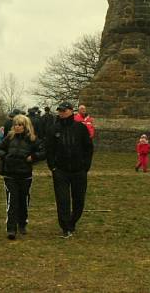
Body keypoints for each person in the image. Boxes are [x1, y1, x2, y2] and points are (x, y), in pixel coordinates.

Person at [46, 102, 93, 238]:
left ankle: (72, 222)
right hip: (61, 171)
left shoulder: (80, 128)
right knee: (62, 200)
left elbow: (88, 147)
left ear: (71, 111)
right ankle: (65, 227)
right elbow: (49, 150)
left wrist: (86, 166)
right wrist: (53, 167)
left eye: (64, 110)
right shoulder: (54, 129)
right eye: (60, 111)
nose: (61, 113)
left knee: (79, 200)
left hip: (79, 170)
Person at [0, 114, 44, 240]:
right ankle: (11, 228)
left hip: (25, 175)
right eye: (15, 124)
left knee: (23, 200)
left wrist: (33, 157)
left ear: (25, 126)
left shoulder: (32, 139)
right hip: (10, 174)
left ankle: (22, 223)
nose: (17, 127)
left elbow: (43, 151)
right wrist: (5, 156)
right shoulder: (9, 137)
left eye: (20, 124)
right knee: (12, 201)